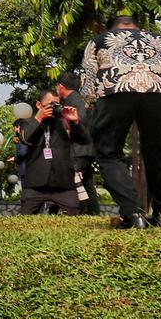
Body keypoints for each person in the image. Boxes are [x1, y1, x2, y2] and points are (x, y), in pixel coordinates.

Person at [81, 15, 161, 228]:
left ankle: (134, 214)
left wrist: (89, 105)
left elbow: (88, 79)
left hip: (116, 91)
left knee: (108, 153)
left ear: (112, 28)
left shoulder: (99, 40)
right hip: (158, 94)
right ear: (139, 27)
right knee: (157, 153)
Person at [18, 88, 89, 216]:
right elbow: (26, 139)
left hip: (64, 184)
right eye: (49, 106)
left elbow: (84, 140)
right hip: (35, 185)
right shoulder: (27, 123)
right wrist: (39, 118)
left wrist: (75, 122)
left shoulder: (64, 123)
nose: (53, 109)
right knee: (25, 221)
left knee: (74, 219)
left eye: (56, 105)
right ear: (39, 105)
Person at [56, 73, 98, 215]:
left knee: (74, 182)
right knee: (86, 183)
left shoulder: (73, 101)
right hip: (85, 149)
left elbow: (79, 121)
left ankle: (79, 212)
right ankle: (92, 213)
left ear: (61, 87)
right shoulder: (77, 100)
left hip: (78, 150)